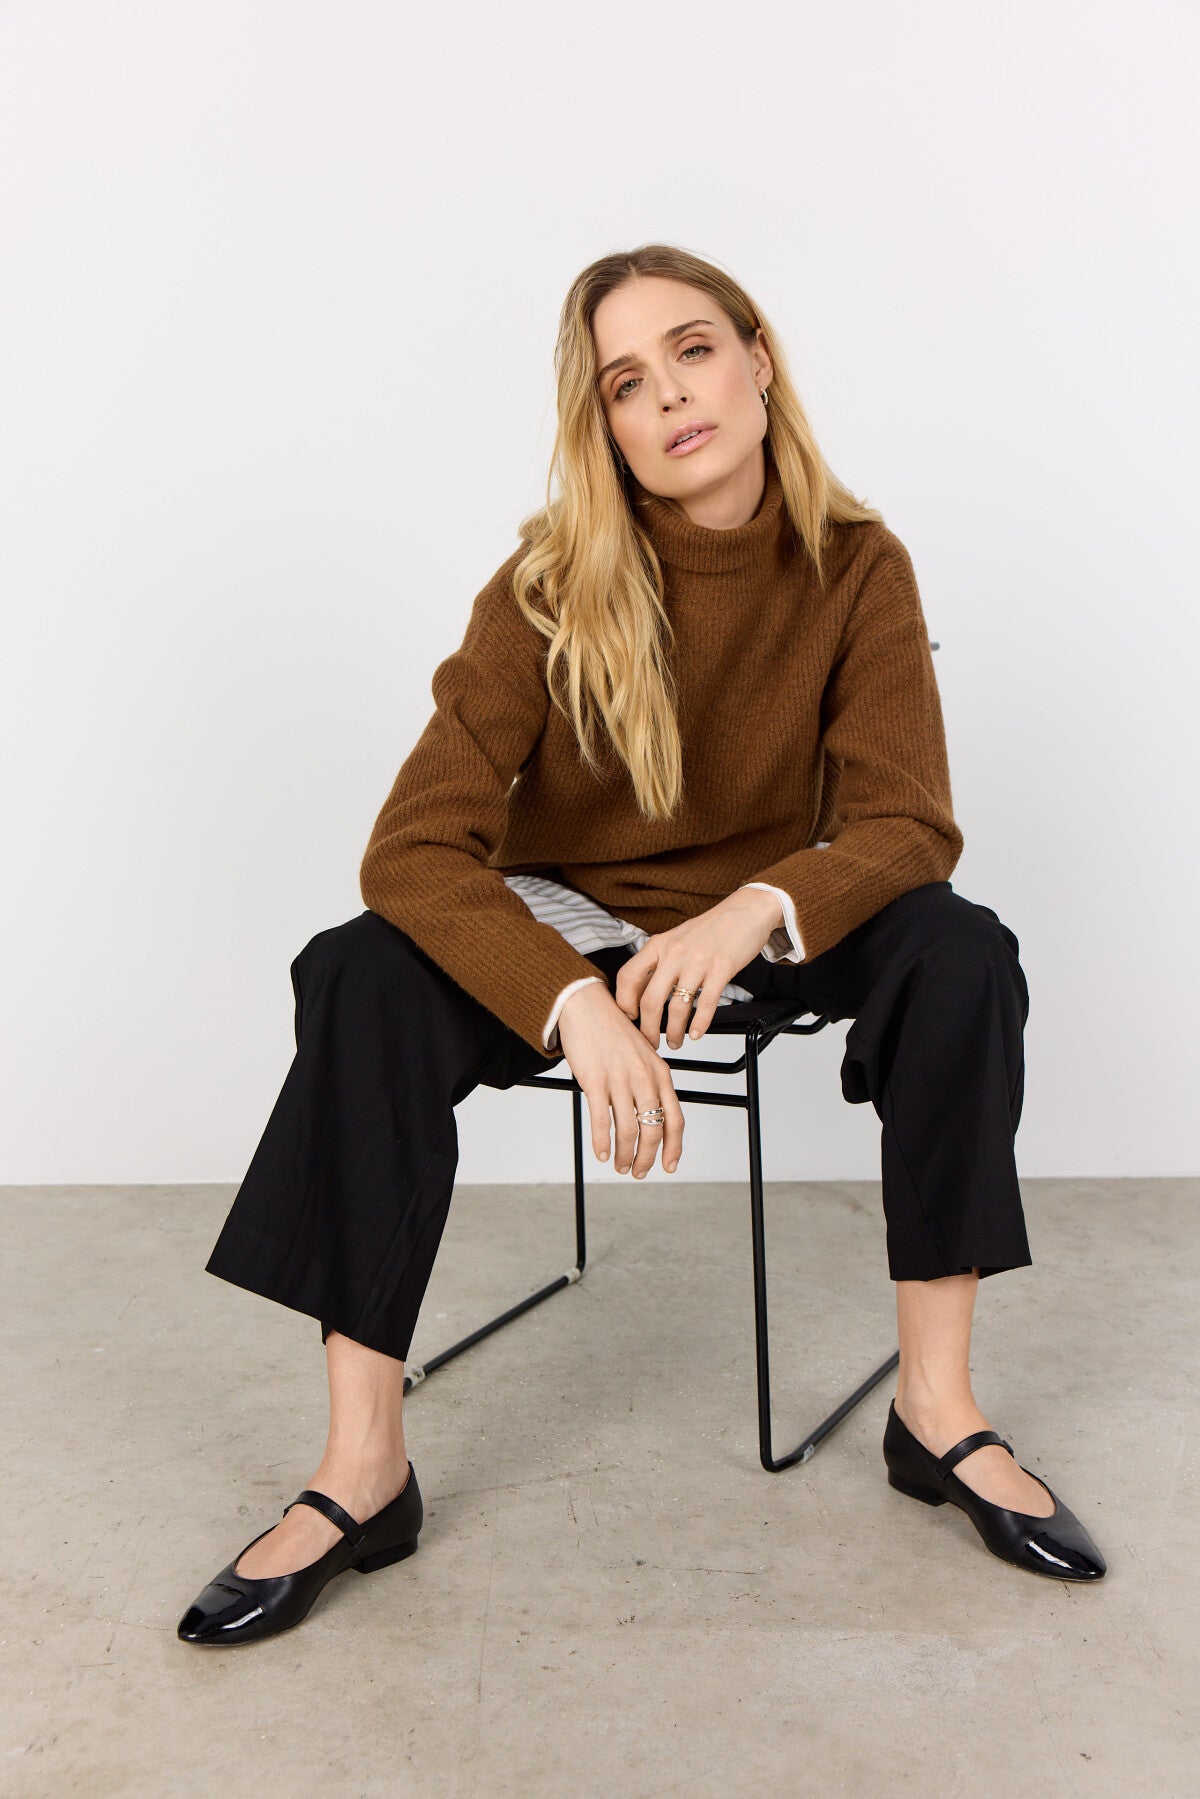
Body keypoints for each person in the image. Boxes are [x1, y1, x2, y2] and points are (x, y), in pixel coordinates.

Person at [178, 243, 1105, 1646]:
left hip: (764, 920)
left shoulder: (859, 567)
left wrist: (752, 910)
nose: (668, 395)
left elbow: (908, 822)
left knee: (963, 952)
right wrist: (574, 1004)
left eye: (692, 350)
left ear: (758, 360)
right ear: (603, 424)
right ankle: (363, 1469)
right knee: (358, 968)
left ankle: (939, 1410)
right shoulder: (548, 585)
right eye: (624, 382)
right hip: (581, 923)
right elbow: (411, 847)